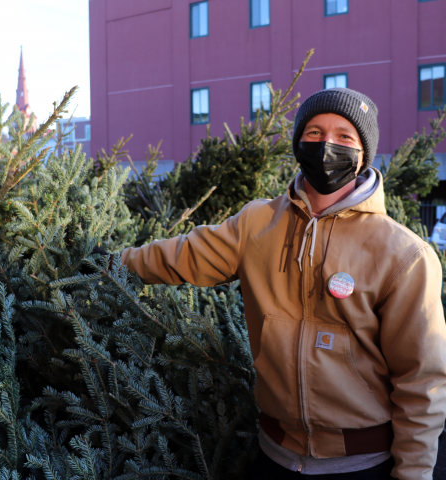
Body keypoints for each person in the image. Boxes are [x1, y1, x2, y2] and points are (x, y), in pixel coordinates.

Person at [121, 88, 446, 479]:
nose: (327, 145)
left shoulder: (404, 255)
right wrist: (107, 264)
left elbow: (421, 380)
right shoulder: (256, 224)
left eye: (345, 137)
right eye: (314, 132)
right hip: (272, 457)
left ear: (363, 155)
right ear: (298, 143)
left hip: (362, 465)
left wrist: (413, 473)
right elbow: (180, 256)